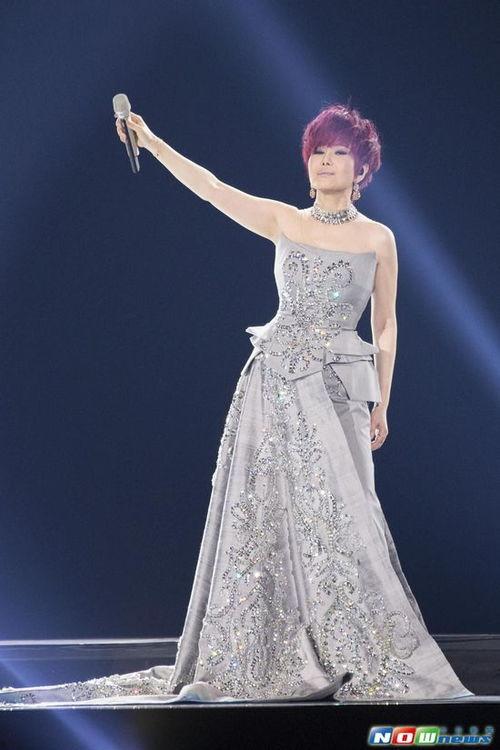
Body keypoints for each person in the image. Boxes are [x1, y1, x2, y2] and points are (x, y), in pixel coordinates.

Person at [0, 103, 474, 705]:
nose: (327, 161)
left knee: (346, 521)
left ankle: (352, 649)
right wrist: (154, 142)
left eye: (340, 153)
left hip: (340, 389)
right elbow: (212, 189)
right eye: (318, 152)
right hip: (274, 384)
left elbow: (386, 324)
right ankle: (253, 656)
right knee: (262, 518)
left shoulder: (378, 238)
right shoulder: (282, 219)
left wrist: (383, 398)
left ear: (361, 168)